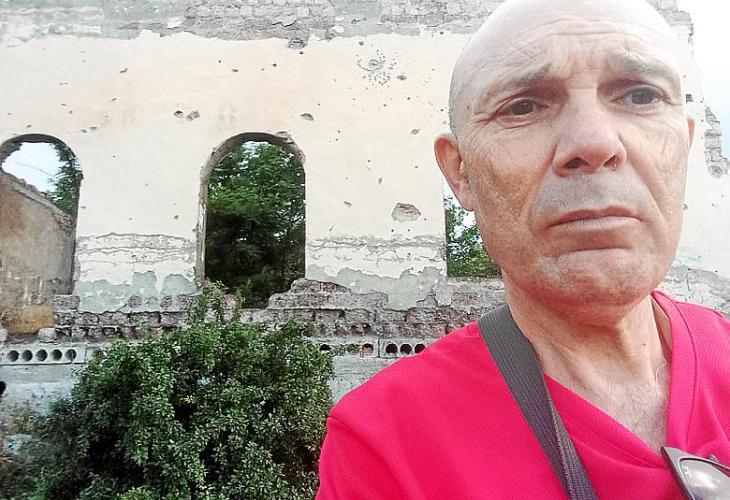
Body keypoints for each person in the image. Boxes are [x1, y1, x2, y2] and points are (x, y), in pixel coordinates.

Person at [316, 0, 730, 498]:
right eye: (524, 106)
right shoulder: (386, 443)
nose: (594, 143)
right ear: (461, 173)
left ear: (685, 145)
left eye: (640, 95)